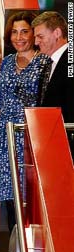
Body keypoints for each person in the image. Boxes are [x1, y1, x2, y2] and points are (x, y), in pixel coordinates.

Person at [0, 11, 52, 233]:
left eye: (24, 31)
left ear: (34, 34)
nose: (19, 37)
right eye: (14, 32)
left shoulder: (45, 61)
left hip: (31, 139)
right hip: (5, 141)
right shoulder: (6, 63)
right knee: (10, 201)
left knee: (31, 200)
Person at [32, 11, 74, 159]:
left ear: (57, 33)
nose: (36, 42)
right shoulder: (48, 64)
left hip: (68, 145)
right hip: (54, 144)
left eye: (40, 36)